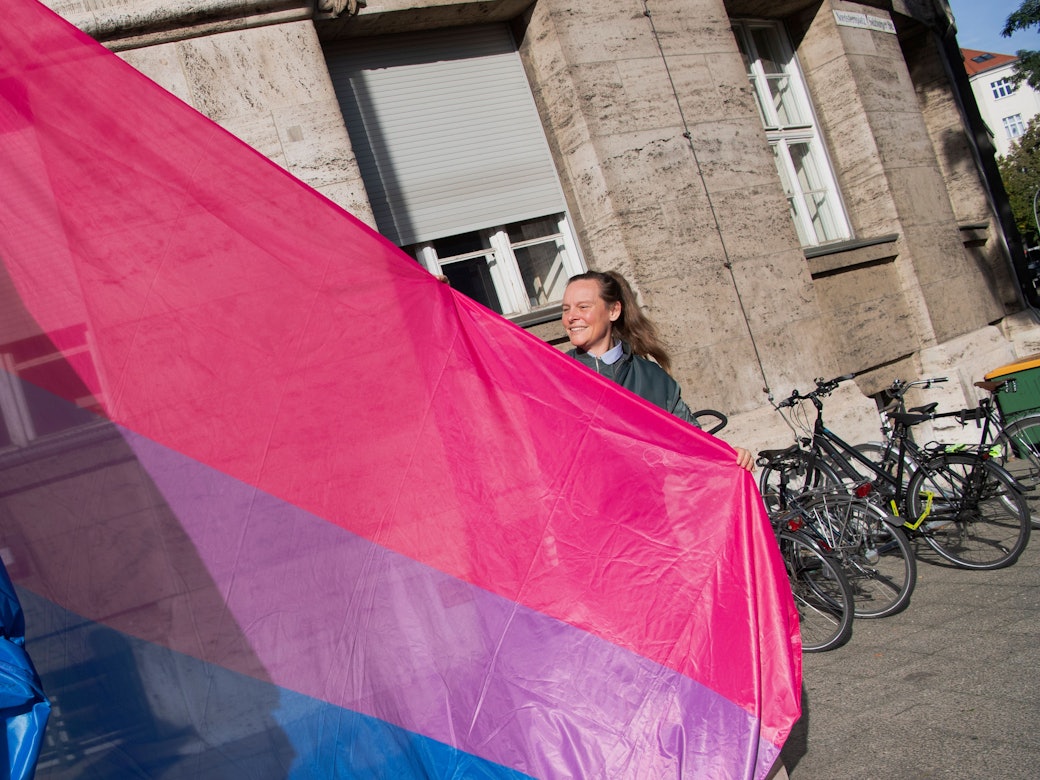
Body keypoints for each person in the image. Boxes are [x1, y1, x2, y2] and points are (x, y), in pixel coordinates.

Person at [561, 270, 754, 471]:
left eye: (583, 307)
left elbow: (694, 445)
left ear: (614, 311)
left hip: (647, 499)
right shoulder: (553, 374)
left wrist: (731, 458)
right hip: (582, 500)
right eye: (566, 309)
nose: (571, 317)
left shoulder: (653, 378)